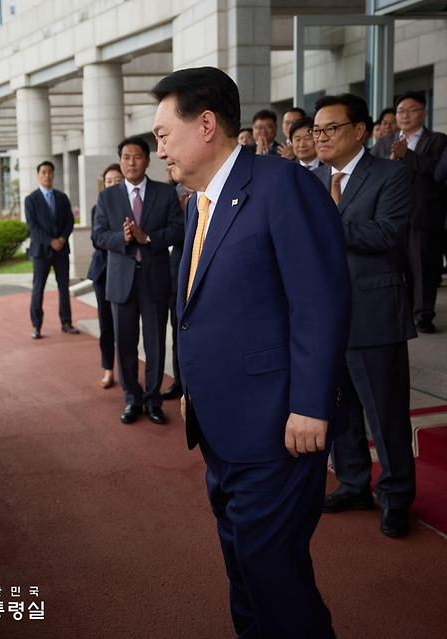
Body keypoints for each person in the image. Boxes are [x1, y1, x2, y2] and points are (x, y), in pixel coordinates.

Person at [151, 67, 351, 638]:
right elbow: (198, 312)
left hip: (278, 427)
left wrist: (312, 404)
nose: (157, 147)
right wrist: (191, 388)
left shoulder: (281, 185)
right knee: (245, 566)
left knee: (270, 569)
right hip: (222, 427)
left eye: (164, 134)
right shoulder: (196, 206)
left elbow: (320, 299)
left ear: (206, 125)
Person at [311, 93, 416, 538]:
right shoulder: (310, 181)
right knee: (342, 412)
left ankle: (396, 498)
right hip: (324, 319)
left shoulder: (391, 174)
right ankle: (354, 483)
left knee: (386, 415)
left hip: (373, 314)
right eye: (316, 130)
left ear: (359, 130)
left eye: (330, 128)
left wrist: (327, 223)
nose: (320, 137)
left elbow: (387, 234)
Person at [92, 137, 184, 425]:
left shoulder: (164, 194)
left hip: (155, 278)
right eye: (126, 157)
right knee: (126, 342)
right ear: (121, 161)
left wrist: (149, 238)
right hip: (121, 281)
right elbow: (98, 235)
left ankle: (153, 400)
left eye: (137, 157)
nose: (131, 162)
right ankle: (132, 399)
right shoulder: (107, 197)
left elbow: (178, 230)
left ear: (148, 160)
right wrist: (124, 238)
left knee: (155, 343)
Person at [372, 91, 447, 333]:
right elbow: (371, 169)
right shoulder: (385, 141)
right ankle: (400, 311)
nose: (405, 115)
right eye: (400, 111)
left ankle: (424, 315)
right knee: (395, 266)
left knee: (423, 268)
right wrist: (391, 157)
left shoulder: (437, 140)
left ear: (424, 113)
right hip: (391, 215)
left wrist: (408, 155)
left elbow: (438, 172)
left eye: (411, 110)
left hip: (422, 214)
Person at [25, 160, 79, 338]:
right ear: (38, 175)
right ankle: (36, 326)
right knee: (38, 288)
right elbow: (33, 226)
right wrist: (50, 241)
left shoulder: (62, 197)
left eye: (50, 172)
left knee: (64, 287)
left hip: (61, 249)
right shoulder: (31, 199)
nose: (47, 175)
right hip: (41, 251)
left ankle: (66, 322)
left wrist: (62, 239)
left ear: (54, 175)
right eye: (43, 172)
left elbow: (69, 221)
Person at [88, 164, 124, 388]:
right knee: (106, 325)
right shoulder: (97, 208)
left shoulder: (132, 206)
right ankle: (108, 369)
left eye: (117, 180)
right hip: (103, 271)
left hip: (125, 271)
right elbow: (96, 239)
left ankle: (126, 371)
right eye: (109, 181)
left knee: (124, 326)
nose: (112, 184)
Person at [163, 183, 191, 401]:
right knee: (178, 330)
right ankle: (179, 382)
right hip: (178, 270)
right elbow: (171, 231)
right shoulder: (173, 193)